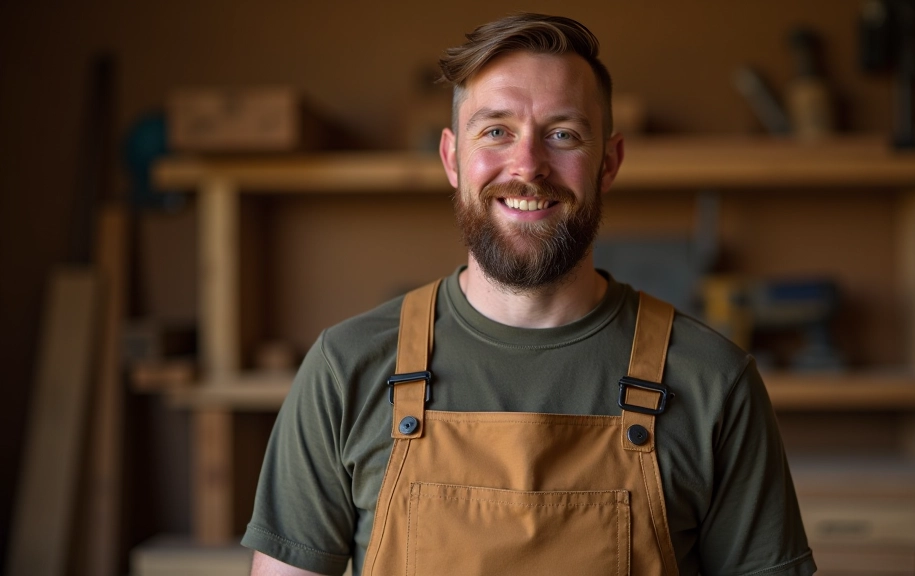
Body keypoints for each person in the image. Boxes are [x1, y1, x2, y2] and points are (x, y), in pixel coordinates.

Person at [244, 13, 815, 576]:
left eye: (563, 134)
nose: (528, 166)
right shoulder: (345, 369)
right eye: (496, 131)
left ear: (608, 163)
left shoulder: (713, 381)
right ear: (451, 158)